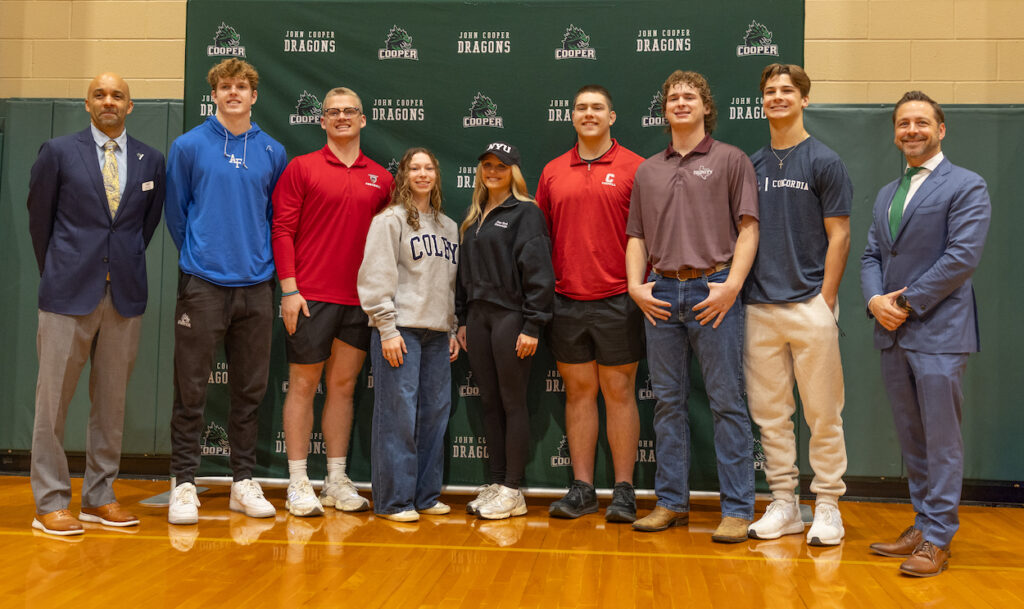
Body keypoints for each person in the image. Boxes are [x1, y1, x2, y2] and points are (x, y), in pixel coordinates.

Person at [26, 73, 165, 536]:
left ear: (131, 106)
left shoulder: (151, 160)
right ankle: (50, 501)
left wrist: (115, 266)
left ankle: (99, 496)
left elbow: (142, 230)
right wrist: (65, 268)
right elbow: (39, 222)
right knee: (52, 405)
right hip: (67, 293)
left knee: (111, 403)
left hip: (123, 294)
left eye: (118, 95)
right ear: (87, 104)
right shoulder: (59, 152)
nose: (109, 101)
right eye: (100, 95)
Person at [861, 91, 990, 577]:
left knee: (942, 440)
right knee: (912, 438)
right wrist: (875, 302)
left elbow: (962, 257)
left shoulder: (967, 185)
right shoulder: (887, 193)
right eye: (902, 123)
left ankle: (938, 538)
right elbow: (873, 255)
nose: (910, 130)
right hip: (893, 332)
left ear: (941, 129)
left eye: (920, 122)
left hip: (938, 331)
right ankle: (922, 523)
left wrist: (904, 302)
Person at [626, 70, 759, 543]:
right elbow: (636, 236)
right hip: (661, 294)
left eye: (690, 96)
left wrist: (731, 286)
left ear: (706, 107)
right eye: (672, 97)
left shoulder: (731, 159)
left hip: (714, 292)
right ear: (663, 110)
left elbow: (748, 228)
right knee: (667, 404)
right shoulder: (648, 169)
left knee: (725, 402)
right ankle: (670, 503)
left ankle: (739, 509)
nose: (680, 102)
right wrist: (635, 286)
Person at [164, 58, 288, 525]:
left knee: (250, 390)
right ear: (213, 94)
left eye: (241, 87)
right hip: (203, 285)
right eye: (225, 86)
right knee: (191, 390)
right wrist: (203, 255)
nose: (233, 92)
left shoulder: (273, 151)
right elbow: (177, 214)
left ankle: (243, 481)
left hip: (257, 287)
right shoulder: (188, 146)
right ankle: (183, 483)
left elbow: (277, 219)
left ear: (254, 96)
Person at [744, 64, 853, 546]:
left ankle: (827, 504)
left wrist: (825, 300)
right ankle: (785, 503)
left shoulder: (825, 160)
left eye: (787, 91)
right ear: (761, 101)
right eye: (770, 92)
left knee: (823, 413)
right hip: (758, 306)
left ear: (804, 100)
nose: (778, 97)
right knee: (771, 415)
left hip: (810, 304)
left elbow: (841, 234)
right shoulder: (751, 165)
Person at [271, 87, 392, 517]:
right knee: (303, 385)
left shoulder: (382, 178)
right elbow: (282, 230)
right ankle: (299, 480)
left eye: (350, 112)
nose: (342, 117)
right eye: (333, 112)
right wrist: (289, 289)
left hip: (359, 302)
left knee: (343, 387)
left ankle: (336, 479)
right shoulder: (301, 169)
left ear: (363, 120)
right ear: (321, 121)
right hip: (308, 298)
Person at [536, 85, 645, 522]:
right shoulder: (552, 171)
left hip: (620, 298)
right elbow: (539, 237)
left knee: (618, 392)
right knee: (578, 393)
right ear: (572, 117)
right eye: (580, 107)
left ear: (612, 116)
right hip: (566, 300)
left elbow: (648, 238)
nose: (588, 113)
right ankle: (582, 489)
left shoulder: (636, 167)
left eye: (597, 107)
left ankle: (624, 490)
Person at [357, 148, 460, 522]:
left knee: (435, 415)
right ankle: (394, 501)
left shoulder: (449, 227)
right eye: (414, 168)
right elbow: (376, 277)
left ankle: (426, 496)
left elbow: (447, 286)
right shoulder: (390, 220)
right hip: (400, 330)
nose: (422, 174)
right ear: (403, 175)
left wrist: (450, 327)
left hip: (436, 334)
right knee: (398, 416)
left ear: (436, 175)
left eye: (428, 167)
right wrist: (386, 327)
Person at [456, 142, 555, 520]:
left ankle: (514, 489)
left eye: (501, 166)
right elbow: (464, 276)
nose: (493, 172)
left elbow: (539, 274)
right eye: (487, 166)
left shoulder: (526, 213)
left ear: (513, 170)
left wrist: (532, 325)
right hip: (479, 320)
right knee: (489, 402)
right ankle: (498, 483)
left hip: (512, 318)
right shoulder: (476, 215)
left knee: (513, 403)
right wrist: (462, 319)